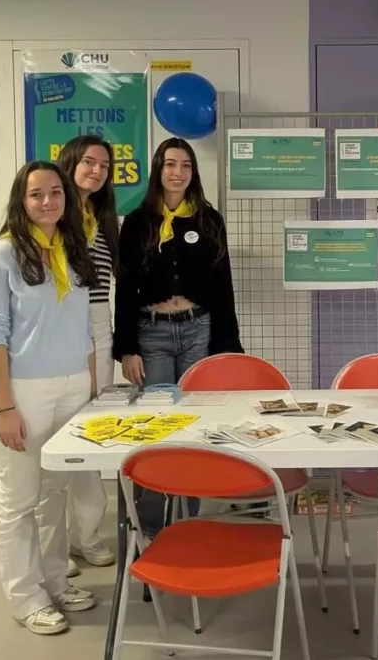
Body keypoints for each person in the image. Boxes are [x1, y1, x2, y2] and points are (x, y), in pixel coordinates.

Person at [0, 161, 99, 635]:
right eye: (36, 195)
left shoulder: (72, 248)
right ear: (20, 201)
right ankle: (26, 598)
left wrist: (90, 389)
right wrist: (4, 407)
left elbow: (84, 327)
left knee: (56, 492)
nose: (47, 202)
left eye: (55, 193)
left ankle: (53, 581)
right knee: (20, 497)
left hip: (72, 385)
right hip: (24, 391)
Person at [114, 137, 243, 535]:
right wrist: (127, 348)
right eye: (171, 164)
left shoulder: (208, 220)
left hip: (197, 329)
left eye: (186, 165)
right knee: (158, 425)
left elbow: (223, 286)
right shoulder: (138, 222)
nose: (178, 173)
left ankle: (187, 517)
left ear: (193, 172)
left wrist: (227, 347)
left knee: (194, 423)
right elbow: (125, 287)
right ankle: (151, 525)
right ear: (158, 169)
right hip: (152, 334)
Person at [55, 136, 118, 576]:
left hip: (99, 319)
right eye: (89, 162)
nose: (96, 170)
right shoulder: (53, 212)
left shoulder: (103, 217)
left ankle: (88, 535)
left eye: (104, 165)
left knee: (93, 432)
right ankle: (55, 545)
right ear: (70, 162)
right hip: (61, 319)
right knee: (57, 437)